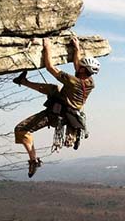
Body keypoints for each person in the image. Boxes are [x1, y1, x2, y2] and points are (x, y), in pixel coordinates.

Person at [13, 36, 99, 178]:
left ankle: (33, 160)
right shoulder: (90, 82)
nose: (78, 66)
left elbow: (50, 67)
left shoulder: (72, 81)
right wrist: (76, 48)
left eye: (82, 67)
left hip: (56, 115)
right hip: (70, 113)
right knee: (54, 89)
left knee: (21, 129)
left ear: (84, 71)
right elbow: (77, 65)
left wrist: (47, 47)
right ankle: (23, 81)